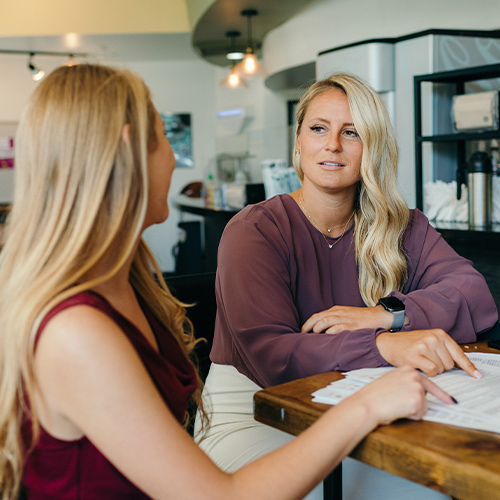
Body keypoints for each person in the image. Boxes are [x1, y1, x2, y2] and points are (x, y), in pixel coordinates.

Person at [0, 64, 456, 500]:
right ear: (127, 151)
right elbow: (224, 494)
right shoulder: (77, 332)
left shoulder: (128, 275)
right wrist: (369, 402)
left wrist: (384, 321)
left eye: (351, 132)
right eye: (163, 141)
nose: (176, 164)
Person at [195, 73, 498, 499]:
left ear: (372, 146)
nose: (332, 145)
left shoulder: (404, 226)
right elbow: (272, 355)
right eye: (319, 128)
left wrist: (385, 315)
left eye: (351, 132)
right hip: (256, 415)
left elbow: (475, 294)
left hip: (364, 408)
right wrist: (383, 345)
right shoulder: (254, 230)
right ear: (298, 140)